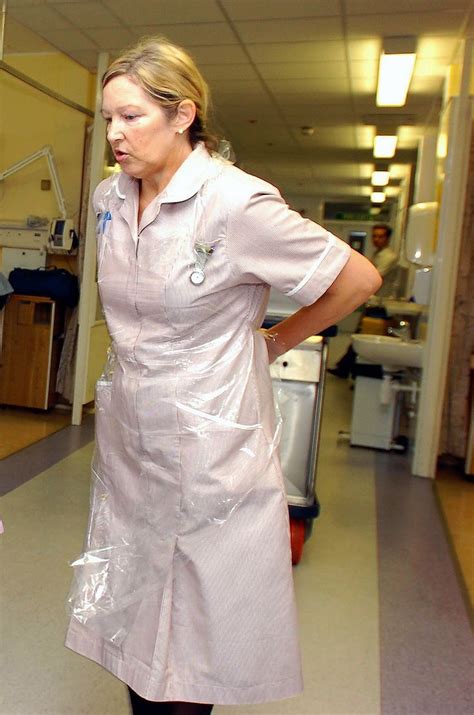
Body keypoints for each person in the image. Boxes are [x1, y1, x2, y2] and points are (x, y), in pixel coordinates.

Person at [65, 37, 381, 715]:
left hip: (212, 447)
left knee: (195, 635)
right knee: (135, 607)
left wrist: (275, 339)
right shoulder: (110, 197)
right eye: (109, 119)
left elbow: (357, 278)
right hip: (131, 440)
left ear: (184, 114)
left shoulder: (236, 204)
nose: (115, 135)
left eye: (132, 117)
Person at [327, 224, 398, 378]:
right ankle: (345, 368)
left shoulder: (389, 257)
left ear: (387, 238)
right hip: (372, 302)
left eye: (381, 236)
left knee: (361, 336)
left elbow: (374, 278)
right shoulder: (378, 254)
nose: (377, 239)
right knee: (358, 335)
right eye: (375, 236)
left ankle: (345, 369)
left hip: (380, 305)